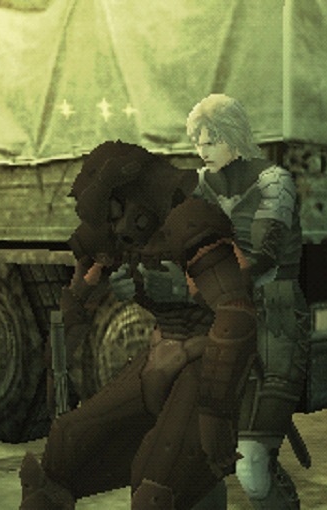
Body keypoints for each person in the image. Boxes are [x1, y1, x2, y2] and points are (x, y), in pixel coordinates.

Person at [18, 140, 257, 510]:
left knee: (156, 491)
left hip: (208, 362)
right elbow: (77, 298)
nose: (114, 227)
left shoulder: (191, 223)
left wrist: (216, 413)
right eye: (109, 218)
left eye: (117, 214)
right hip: (159, 358)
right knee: (66, 442)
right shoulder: (114, 233)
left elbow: (235, 314)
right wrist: (57, 365)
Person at [186, 94, 309, 509]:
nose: (202, 149)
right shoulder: (200, 186)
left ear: (234, 136)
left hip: (275, 322)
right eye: (197, 141)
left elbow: (263, 256)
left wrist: (207, 277)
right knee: (199, 456)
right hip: (220, 321)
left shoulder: (274, 182)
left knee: (253, 468)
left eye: (211, 139)